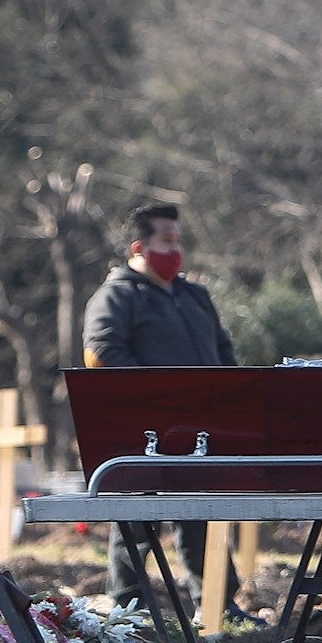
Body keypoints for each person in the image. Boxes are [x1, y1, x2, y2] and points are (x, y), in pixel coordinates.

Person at [80, 202, 241, 621]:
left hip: (201, 429)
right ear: (139, 246)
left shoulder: (194, 296)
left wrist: (229, 393)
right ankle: (128, 607)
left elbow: (223, 351)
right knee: (136, 519)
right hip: (145, 431)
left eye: (178, 240)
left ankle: (220, 605)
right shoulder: (116, 295)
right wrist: (158, 394)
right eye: (166, 241)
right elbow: (102, 351)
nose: (175, 249)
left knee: (202, 516)